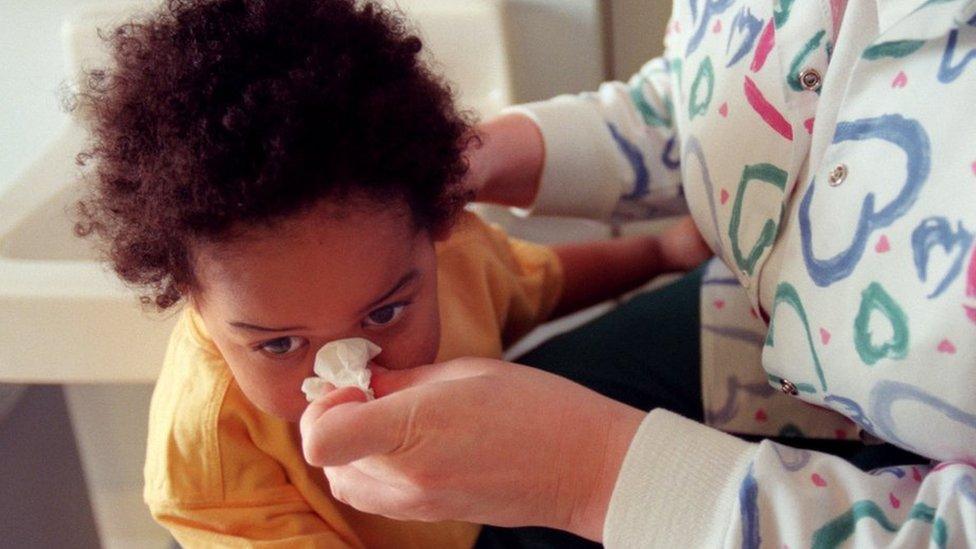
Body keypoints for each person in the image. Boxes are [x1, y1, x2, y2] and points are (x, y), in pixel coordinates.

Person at [300, 0, 976, 546]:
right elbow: (704, 91)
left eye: (388, 307)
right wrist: (480, 155)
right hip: (776, 327)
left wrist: (589, 476)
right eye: (275, 340)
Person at [71, 0, 711, 546]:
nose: (346, 365)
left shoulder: (455, 255)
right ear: (192, 296)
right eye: (279, 344)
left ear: (434, 230)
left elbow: (536, 282)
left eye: (384, 314)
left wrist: (659, 255)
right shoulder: (209, 455)